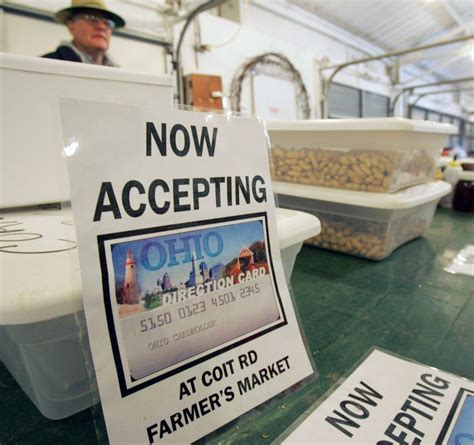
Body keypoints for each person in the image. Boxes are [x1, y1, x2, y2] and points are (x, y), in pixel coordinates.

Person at [42, 0, 125, 67]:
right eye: (92, 18)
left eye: (107, 22)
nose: (102, 27)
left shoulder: (118, 71)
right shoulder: (44, 66)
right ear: (70, 24)